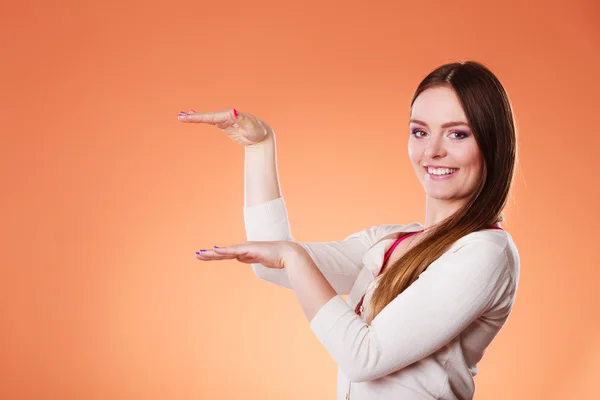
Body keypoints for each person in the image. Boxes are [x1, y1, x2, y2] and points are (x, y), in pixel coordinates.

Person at [179, 60, 520, 400]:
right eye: (420, 131)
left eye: (457, 134)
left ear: (492, 143)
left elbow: (365, 357)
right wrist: (259, 147)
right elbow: (275, 265)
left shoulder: (485, 252)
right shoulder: (390, 240)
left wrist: (292, 256)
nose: (432, 151)